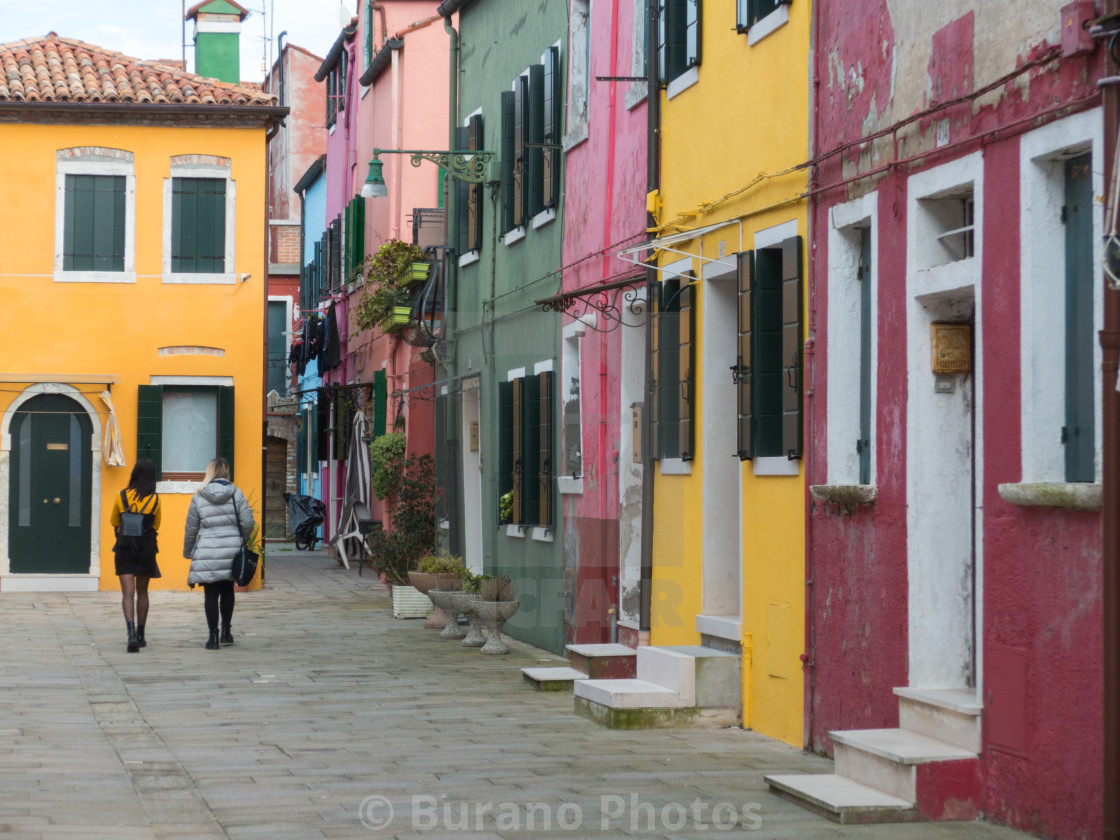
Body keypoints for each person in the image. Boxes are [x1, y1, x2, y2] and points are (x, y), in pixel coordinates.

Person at [183, 457, 255, 650]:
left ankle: (213, 637)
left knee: (210, 594)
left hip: (207, 550)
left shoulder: (198, 496)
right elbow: (248, 522)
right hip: (231, 548)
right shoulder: (235, 494)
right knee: (227, 590)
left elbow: (191, 528)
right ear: (226, 472)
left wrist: (188, 550)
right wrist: (242, 540)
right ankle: (226, 631)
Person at [110, 458, 161, 652]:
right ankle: (141, 634)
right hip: (146, 549)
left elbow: (114, 520)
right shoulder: (155, 499)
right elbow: (156, 525)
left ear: (134, 474)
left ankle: (130, 632)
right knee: (143, 592)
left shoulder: (120, 495)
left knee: (127, 593)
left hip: (124, 548)